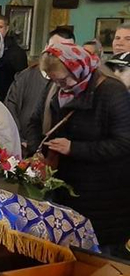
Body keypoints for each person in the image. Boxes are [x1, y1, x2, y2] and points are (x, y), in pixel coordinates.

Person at [27, 42, 130, 251]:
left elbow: (123, 143)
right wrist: (39, 149)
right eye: (54, 79)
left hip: (102, 195)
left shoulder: (111, 92)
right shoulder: (55, 86)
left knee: (96, 259)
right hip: (63, 187)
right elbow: (34, 122)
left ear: (78, 69)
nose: (62, 85)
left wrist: (74, 148)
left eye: (64, 79)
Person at [5, 28, 72, 156]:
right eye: (56, 48)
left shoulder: (71, 83)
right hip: (20, 146)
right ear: (46, 47)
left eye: (66, 50)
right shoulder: (24, 77)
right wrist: (20, 140)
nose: (60, 54)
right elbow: (11, 108)